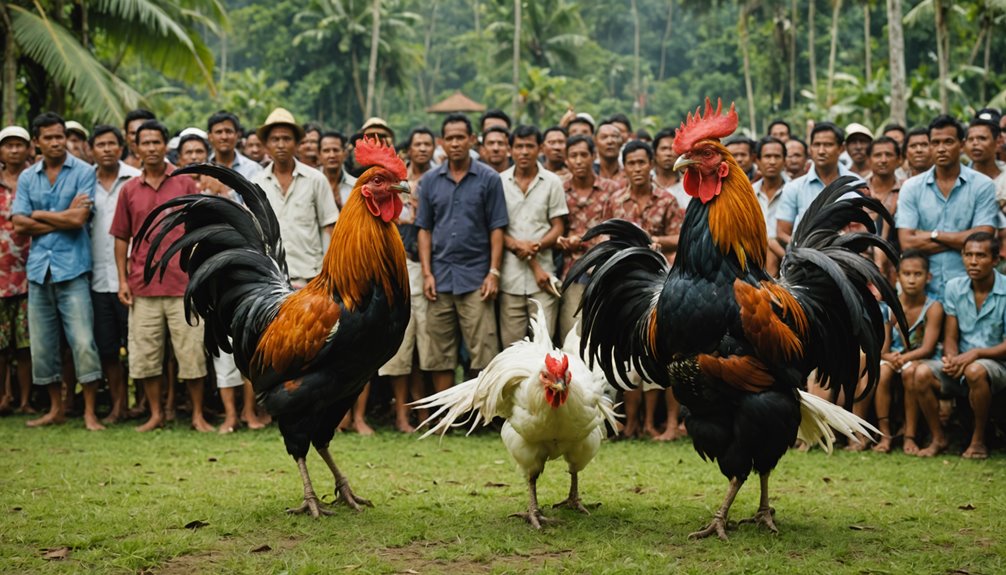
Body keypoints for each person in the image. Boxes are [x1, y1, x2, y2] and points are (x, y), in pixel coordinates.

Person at [111, 119, 213, 433]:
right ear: (136, 148)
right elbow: (120, 237)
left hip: (183, 284)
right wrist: (123, 280)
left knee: (192, 354)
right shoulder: (129, 189)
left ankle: (197, 415)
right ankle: (155, 414)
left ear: (164, 145)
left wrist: (200, 276)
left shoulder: (185, 185)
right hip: (142, 285)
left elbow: (202, 232)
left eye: (157, 142)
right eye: (146, 143)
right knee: (146, 356)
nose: (152, 148)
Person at [11, 113, 104, 430]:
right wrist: (59, 215)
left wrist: (37, 215)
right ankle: (55, 408)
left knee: (82, 342)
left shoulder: (83, 171)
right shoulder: (27, 177)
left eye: (60, 136)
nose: (56, 142)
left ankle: (90, 411)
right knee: (43, 345)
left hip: (73, 269)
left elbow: (78, 220)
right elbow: (18, 222)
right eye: (49, 137)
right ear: (36, 142)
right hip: (38, 272)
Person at [416, 113, 508, 394]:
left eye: (461, 137)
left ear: (471, 140)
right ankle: (446, 415)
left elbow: (497, 227)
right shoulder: (430, 181)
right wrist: (427, 273)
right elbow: (424, 229)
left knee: (484, 350)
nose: (455, 143)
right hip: (440, 277)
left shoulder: (489, 179)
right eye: (450, 138)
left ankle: (479, 416)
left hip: (476, 276)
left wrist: (493, 272)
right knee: (439, 352)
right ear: (442, 142)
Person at [602, 141, 683, 440]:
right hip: (624, 286)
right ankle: (633, 423)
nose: (637, 168)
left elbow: (681, 235)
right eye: (631, 163)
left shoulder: (667, 200)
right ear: (624, 167)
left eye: (641, 162)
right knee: (627, 355)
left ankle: (669, 424)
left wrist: (656, 241)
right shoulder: (614, 200)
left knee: (666, 354)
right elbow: (604, 237)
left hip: (660, 286)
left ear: (651, 164)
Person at [907, 232, 1006, 459]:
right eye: (968, 254)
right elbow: (951, 336)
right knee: (920, 372)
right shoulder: (954, 287)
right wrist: (951, 358)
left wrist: (975, 354)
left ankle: (978, 440)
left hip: (996, 363)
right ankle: (939, 437)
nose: (973, 261)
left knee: (975, 370)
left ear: (995, 260)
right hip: (963, 360)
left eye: (980, 256)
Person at [896, 115, 998, 301]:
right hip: (923, 292)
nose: (941, 149)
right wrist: (961, 239)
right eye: (935, 143)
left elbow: (983, 239)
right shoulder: (911, 187)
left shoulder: (983, 185)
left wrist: (932, 235)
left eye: (948, 142)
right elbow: (907, 243)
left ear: (962, 145)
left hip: (968, 289)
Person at [850, 250, 943, 454]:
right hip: (892, 358)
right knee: (881, 373)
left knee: (911, 373)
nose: (911, 280)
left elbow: (927, 348)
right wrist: (889, 357)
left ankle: (910, 435)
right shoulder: (888, 307)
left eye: (917, 274)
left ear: (928, 277)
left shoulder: (934, 307)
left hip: (921, 360)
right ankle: (884, 434)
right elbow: (883, 347)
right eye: (906, 274)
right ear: (897, 276)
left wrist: (902, 358)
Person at [378, 127, 437, 432]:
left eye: (428, 144)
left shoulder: (437, 181)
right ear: (409, 149)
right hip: (391, 268)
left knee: (423, 348)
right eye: (418, 144)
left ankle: (424, 412)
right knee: (399, 349)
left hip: (422, 268)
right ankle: (402, 414)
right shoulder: (392, 181)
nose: (423, 148)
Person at [251, 108, 338, 289]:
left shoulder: (316, 180)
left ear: (297, 144)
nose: (281, 144)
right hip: (270, 280)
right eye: (275, 139)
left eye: (287, 139)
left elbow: (329, 227)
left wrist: (328, 273)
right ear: (266, 146)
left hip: (311, 278)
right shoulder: (256, 184)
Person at [88, 125, 140, 424]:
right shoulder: (83, 182)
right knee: (107, 348)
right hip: (96, 277)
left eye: (111, 144)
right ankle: (119, 405)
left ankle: (141, 404)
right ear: (92, 149)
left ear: (121, 147)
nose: (106, 149)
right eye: (100, 144)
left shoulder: (134, 180)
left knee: (137, 346)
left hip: (130, 279)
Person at [498, 125, 567, 347]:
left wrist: (535, 245)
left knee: (543, 347)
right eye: (519, 146)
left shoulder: (552, 182)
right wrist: (515, 244)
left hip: (543, 279)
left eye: (530, 146)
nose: (524, 152)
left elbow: (558, 226)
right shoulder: (498, 182)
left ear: (540, 148)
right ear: (511, 149)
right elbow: (496, 227)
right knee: (511, 350)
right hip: (510, 279)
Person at [556, 135, 620, 340]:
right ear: (566, 159)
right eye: (573, 155)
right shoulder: (559, 188)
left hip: (606, 270)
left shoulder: (612, 189)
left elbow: (617, 228)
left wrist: (584, 241)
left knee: (605, 334)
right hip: (572, 271)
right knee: (573, 334)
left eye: (583, 155)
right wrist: (563, 240)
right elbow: (553, 227)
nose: (578, 160)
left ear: (593, 156)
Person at [776, 122, 859, 247]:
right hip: (803, 259)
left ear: (841, 149)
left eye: (828, 145)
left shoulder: (856, 183)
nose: (821, 151)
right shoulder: (794, 187)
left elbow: (864, 228)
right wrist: (804, 248)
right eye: (816, 145)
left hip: (847, 255)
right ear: (810, 148)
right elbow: (782, 232)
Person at [0, 126, 33, 415]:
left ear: (28, 148)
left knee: (25, 344)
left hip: (28, 273)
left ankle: (25, 400)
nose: (13, 150)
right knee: (0, 345)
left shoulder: (35, 178)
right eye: (7, 145)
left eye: (18, 144)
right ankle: (4, 396)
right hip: (0, 275)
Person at [866, 136, 905, 284]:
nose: (883, 160)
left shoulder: (908, 189)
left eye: (888, 155)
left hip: (900, 270)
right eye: (877, 155)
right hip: (863, 267)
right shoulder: (857, 190)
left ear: (899, 159)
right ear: (869, 160)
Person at [753, 136, 787, 276]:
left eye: (777, 157)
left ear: (784, 161)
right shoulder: (748, 193)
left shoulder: (795, 191)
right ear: (757, 161)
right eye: (767, 156)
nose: (772, 162)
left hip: (784, 254)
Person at [207, 111, 261, 180]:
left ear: (238, 135)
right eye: (219, 132)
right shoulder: (202, 169)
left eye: (229, 131)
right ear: (210, 136)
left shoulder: (253, 169)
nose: (224, 137)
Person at [651, 128, 688, 210]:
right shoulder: (647, 183)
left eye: (672, 149)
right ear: (655, 153)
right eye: (663, 149)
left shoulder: (687, 185)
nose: (668, 153)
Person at [319, 131, 356, 210]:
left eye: (336, 150)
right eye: (326, 151)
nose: (332, 155)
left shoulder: (355, 186)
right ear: (319, 155)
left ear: (344, 154)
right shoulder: (310, 182)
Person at [594, 121, 626, 188]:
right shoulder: (589, 176)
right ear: (595, 142)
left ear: (622, 142)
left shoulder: (629, 175)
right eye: (604, 137)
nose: (610, 141)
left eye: (614, 136)